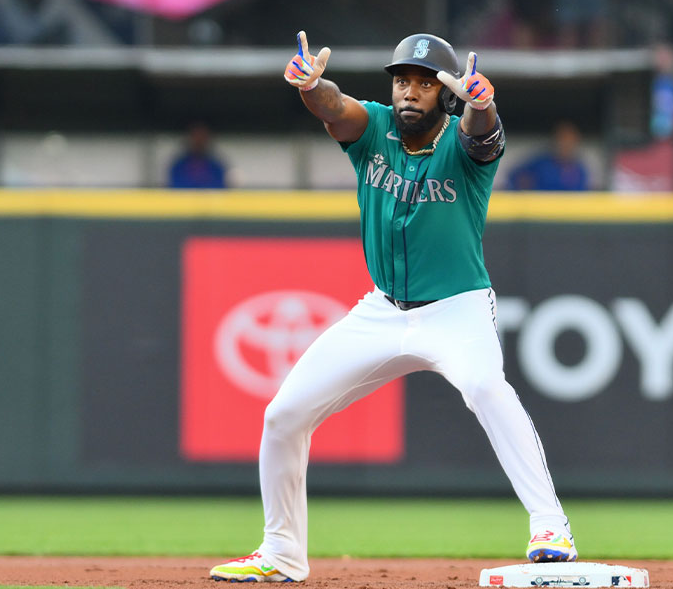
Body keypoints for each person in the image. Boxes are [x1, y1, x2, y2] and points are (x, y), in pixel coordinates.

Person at [209, 32, 577, 582]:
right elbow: (335, 108)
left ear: (446, 94)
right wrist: (311, 86)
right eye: (402, 79)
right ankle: (281, 553)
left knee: (484, 387)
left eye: (425, 83)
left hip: (458, 309)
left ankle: (551, 527)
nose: (409, 91)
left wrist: (483, 103)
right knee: (283, 416)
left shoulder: (464, 145)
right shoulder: (375, 127)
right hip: (381, 311)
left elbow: (484, 134)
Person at [506, 120, 590, 190]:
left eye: (570, 141)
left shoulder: (580, 169)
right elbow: (514, 177)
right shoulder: (540, 164)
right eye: (563, 140)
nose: (566, 145)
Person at [167, 122, 226, 189]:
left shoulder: (216, 166)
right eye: (195, 136)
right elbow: (176, 188)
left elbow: (219, 189)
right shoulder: (178, 166)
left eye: (202, 137)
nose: (199, 141)